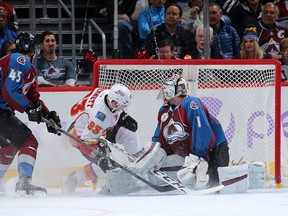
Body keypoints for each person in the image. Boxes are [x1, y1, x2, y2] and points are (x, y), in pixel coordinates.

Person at [0, 32, 62, 196]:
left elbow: (33, 98)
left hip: (2, 111)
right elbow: (9, 92)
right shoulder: (18, 60)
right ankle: (24, 183)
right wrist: (28, 108)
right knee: (28, 140)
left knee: (9, 146)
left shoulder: (28, 69)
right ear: (33, 49)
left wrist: (49, 117)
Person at [151, 74, 230, 188]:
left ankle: (207, 177)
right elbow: (159, 137)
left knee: (210, 184)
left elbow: (202, 131)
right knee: (189, 178)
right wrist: (153, 154)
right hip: (191, 157)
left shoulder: (192, 104)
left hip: (213, 153)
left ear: (176, 90)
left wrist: (198, 157)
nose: (165, 93)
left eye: (167, 90)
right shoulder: (164, 111)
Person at [61, 84, 141, 194]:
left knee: (130, 137)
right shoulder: (99, 117)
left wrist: (122, 116)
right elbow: (86, 142)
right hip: (80, 136)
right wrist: (101, 159)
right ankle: (73, 179)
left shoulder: (107, 93)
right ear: (114, 103)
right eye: (122, 107)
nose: (122, 109)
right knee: (106, 164)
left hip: (95, 127)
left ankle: (138, 170)